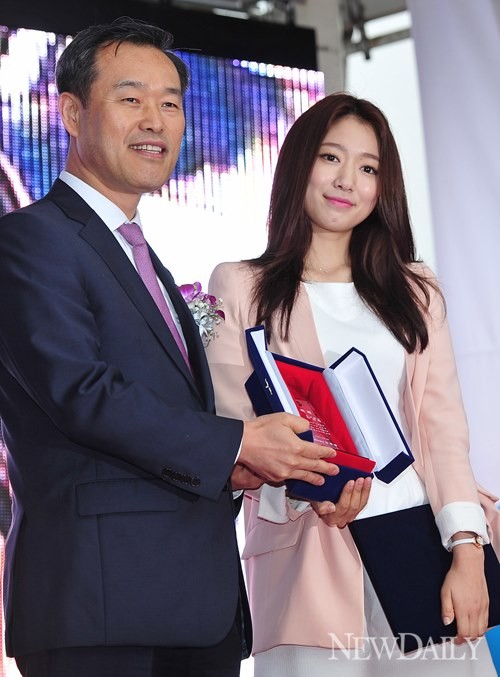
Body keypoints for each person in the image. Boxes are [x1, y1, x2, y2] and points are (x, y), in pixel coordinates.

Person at [0, 17, 340, 677]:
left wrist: (231, 466)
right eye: (130, 99)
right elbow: (82, 393)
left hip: (194, 608)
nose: (155, 120)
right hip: (100, 607)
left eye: (170, 103)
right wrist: (236, 444)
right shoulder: (30, 239)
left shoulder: (143, 257)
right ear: (70, 112)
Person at [206, 92, 500, 675]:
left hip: (420, 545)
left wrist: (467, 548)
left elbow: (443, 432)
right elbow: (235, 436)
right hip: (306, 558)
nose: (348, 181)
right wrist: (305, 488)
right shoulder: (240, 286)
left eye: (368, 168)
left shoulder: (417, 291)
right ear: (299, 164)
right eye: (331, 158)